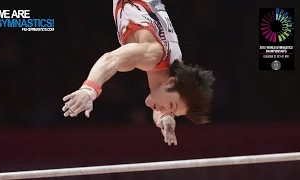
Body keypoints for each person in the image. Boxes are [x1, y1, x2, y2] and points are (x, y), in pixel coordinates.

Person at [62, 0, 215, 146]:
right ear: (171, 83)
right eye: (171, 106)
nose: (165, 110)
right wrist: (89, 90)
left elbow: (160, 103)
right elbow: (111, 59)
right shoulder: (152, 54)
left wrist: (166, 119)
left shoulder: (174, 70)